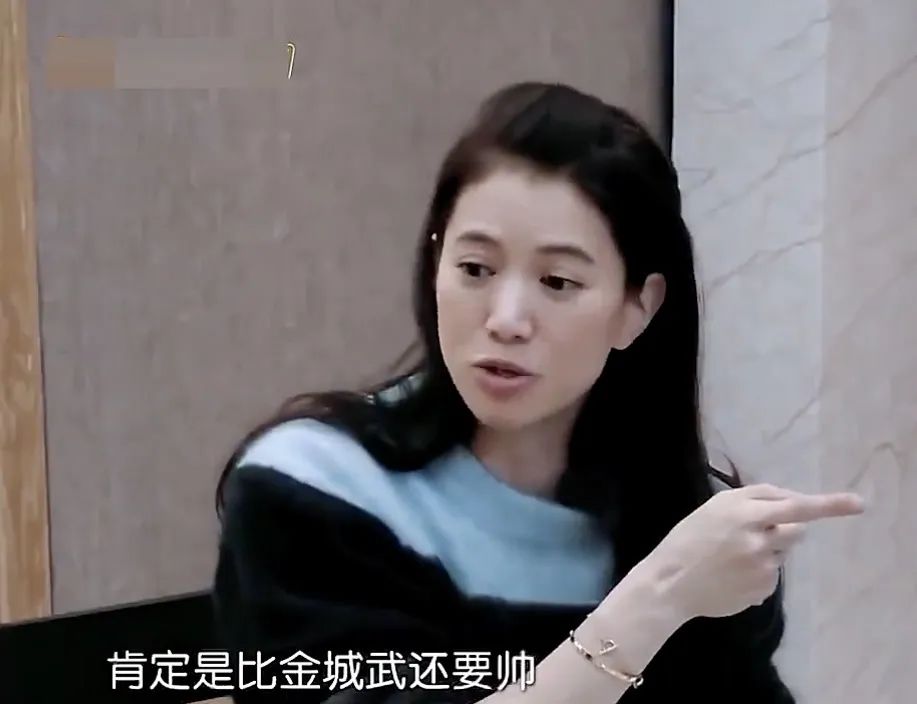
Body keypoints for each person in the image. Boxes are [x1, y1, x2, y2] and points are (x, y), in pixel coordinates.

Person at [210, 81, 864, 703]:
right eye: (475, 269)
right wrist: (658, 598)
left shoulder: (691, 529)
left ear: (637, 308)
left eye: (557, 282)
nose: (506, 320)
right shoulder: (315, 488)